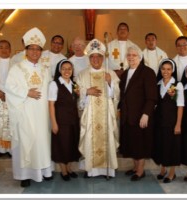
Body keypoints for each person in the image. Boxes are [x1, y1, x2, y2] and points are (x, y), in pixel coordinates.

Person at [5, 27, 54, 187]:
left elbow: (50, 91)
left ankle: (45, 171)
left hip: (42, 114)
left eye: (38, 49)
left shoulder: (45, 70)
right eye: (31, 49)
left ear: (41, 51)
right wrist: (27, 92)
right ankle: (24, 174)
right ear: (26, 50)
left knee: (42, 141)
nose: (34, 52)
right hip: (24, 113)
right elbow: (10, 88)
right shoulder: (16, 68)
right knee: (26, 141)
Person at [76, 38, 120, 178]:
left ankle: (108, 169)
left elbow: (116, 96)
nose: (96, 59)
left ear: (103, 58)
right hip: (90, 115)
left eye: (99, 56)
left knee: (107, 138)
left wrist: (110, 83)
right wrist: (86, 92)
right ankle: (91, 170)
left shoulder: (110, 74)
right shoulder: (82, 74)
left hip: (106, 114)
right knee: (90, 138)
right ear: (89, 58)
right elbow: (78, 96)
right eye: (93, 57)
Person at [119, 45, 158, 181]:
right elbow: (122, 95)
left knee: (140, 144)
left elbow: (151, 96)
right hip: (127, 116)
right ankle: (135, 167)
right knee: (132, 143)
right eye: (129, 55)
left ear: (140, 57)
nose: (131, 57)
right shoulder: (124, 74)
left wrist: (146, 114)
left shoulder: (147, 72)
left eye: (134, 55)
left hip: (141, 116)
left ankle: (140, 171)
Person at [48, 59, 81, 181]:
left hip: (73, 120)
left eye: (69, 69)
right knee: (62, 146)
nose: (67, 71)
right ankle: (64, 171)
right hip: (61, 121)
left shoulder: (74, 84)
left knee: (72, 144)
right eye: (64, 68)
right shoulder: (54, 84)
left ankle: (69, 168)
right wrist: (54, 123)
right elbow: (51, 105)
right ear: (59, 70)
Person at [153, 58, 184, 183]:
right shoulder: (158, 84)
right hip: (159, 121)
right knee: (162, 145)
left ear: (173, 71)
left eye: (169, 69)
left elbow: (180, 106)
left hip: (172, 122)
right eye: (163, 69)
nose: (166, 71)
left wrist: (178, 125)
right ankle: (162, 170)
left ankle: (172, 173)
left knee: (172, 147)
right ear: (160, 70)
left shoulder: (177, 85)